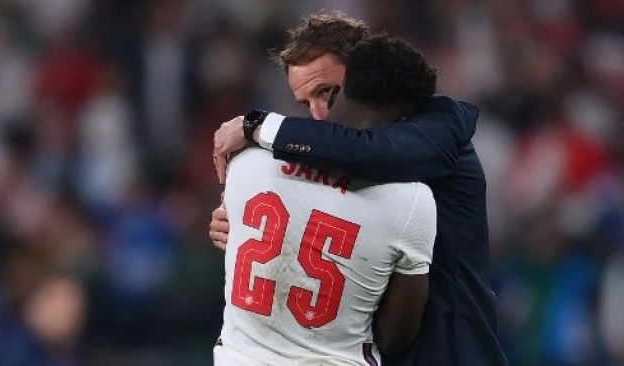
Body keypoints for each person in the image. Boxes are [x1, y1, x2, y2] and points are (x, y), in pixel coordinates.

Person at [211, 11, 508, 366]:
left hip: (449, 349)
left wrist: (257, 125)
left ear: (361, 74)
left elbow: (369, 150)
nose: (319, 116)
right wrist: (241, 224)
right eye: (305, 104)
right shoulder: (333, 153)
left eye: (328, 92)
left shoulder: (439, 126)